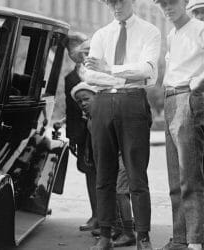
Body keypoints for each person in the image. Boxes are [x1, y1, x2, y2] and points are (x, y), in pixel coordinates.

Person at [83, 0, 161, 249]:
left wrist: (110, 69)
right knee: (103, 173)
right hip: (103, 102)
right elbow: (90, 75)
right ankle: (105, 234)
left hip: (133, 102)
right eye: (110, 2)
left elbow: (148, 70)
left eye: (121, 0)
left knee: (137, 174)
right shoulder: (101, 34)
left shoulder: (150, 31)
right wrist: (123, 73)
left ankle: (143, 237)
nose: (116, 6)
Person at [154, 0, 204, 249]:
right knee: (175, 177)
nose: (167, 8)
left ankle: (196, 240)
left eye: (172, 2)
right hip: (171, 98)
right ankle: (181, 238)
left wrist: (198, 81)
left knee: (190, 176)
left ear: (184, 3)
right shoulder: (172, 34)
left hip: (188, 96)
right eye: (162, 4)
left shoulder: (199, 28)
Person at [71, 82, 137, 247]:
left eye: (86, 99)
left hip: (124, 157)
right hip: (112, 159)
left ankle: (129, 233)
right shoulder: (91, 121)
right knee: (111, 192)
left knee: (121, 193)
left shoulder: (108, 114)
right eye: (79, 102)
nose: (83, 103)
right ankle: (117, 227)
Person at [63, 32, 98, 233]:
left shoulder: (100, 72)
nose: (74, 52)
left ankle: (117, 218)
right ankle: (96, 215)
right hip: (83, 135)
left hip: (102, 129)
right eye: (70, 48)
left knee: (110, 172)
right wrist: (72, 137)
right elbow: (70, 110)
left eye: (78, 46)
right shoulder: (70, 78)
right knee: (90, 172)